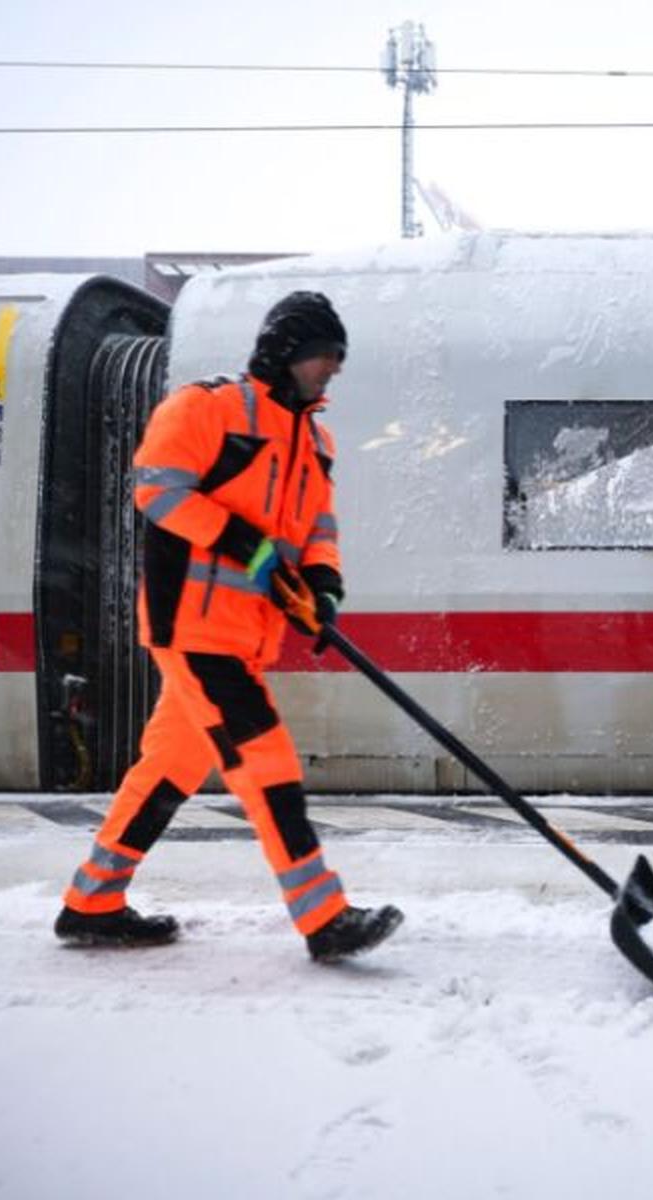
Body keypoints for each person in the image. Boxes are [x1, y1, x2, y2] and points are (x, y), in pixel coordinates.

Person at [54, 291, 403, 963]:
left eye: (337, 359)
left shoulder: (315, 439)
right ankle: (323, 916)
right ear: (286, 353)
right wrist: (245, 543)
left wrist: (323, 585)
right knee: (266, 759)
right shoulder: (208, 407)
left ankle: (92, 902)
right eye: (322, 357)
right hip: (191, 625)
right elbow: (158, 489)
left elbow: (317, 528)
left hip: (244, 634)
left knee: (170, 768)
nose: (332, 370)